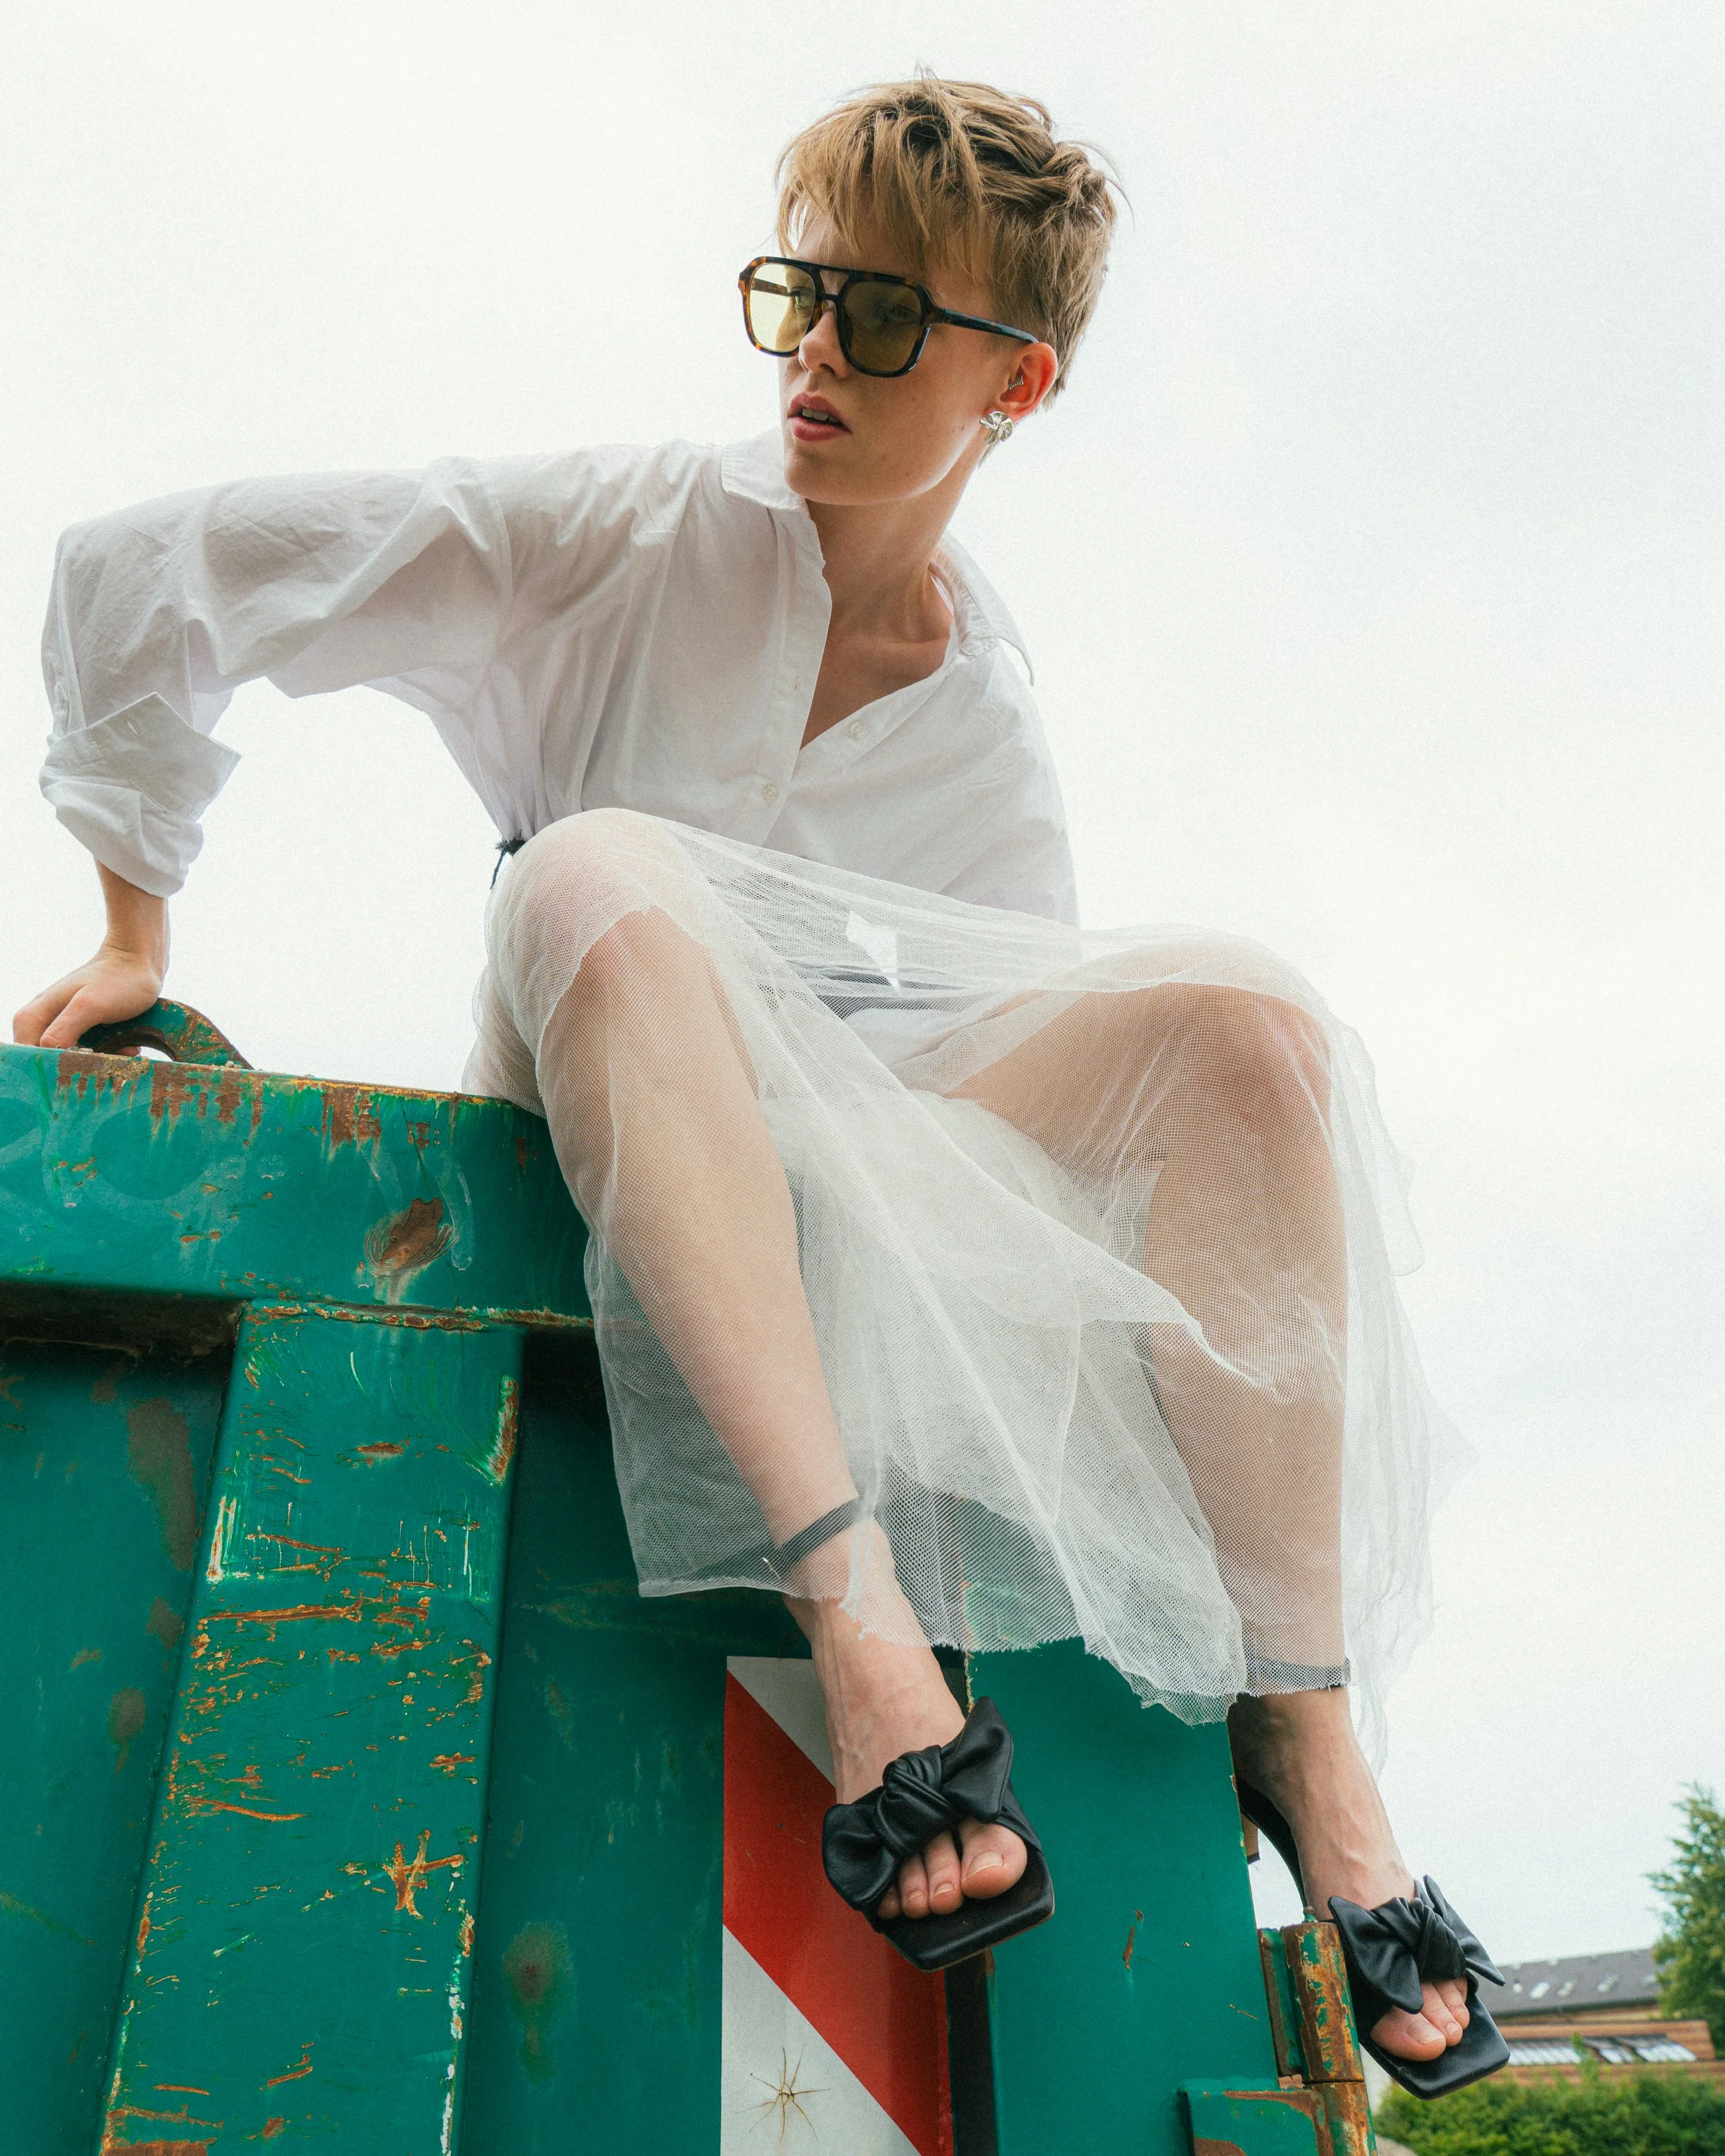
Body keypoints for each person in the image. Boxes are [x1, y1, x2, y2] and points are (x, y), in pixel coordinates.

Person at [16, 75, 1506, 2090]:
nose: (816, 349)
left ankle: (1308, 1729)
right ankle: (863, 1636)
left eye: (885, 316)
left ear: (1021, 382)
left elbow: (995, 1119)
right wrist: (137, 926)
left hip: (842, 1160)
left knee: (1239, 1015)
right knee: (602, 866)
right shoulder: (613, 526)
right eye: (799, 292)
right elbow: (147, 570)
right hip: (597, 1059)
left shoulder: (985, 703)